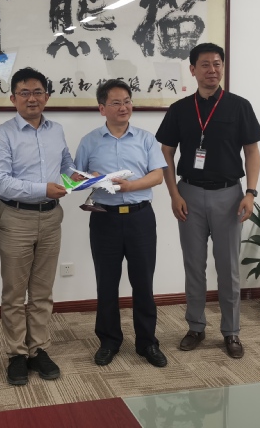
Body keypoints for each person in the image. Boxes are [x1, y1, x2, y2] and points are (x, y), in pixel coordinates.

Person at [155, 43, 260, 359]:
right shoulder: (179, 109)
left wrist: (250, 193)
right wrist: (174, 194)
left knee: (228, 268)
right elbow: (166, 153)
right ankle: (196, 327)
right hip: (189, 194)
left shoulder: (239, 106)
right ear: (193, 70)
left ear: (223, 68)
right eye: (205, 64)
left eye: (217, 64)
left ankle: (231, 332)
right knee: (194, 266)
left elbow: (252, 151)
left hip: (230, 196)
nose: (212, 70)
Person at [0, 67, 74, 386]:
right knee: (14, 292)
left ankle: (37, 349)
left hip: (51, 217)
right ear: (13, 98)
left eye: (37, 92)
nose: (32, 98)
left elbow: (66, 165)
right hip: (16, 217)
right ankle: (16, 354)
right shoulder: (3, 134)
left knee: (42, 291)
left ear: (46, 96)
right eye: (24, 93)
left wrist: (78, 177)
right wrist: (42, 189)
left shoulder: (56, 130)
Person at [74, 79, 168, 368]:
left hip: (140, 217)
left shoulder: (146, 139)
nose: (124, 107)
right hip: (105, 218)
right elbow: (74, 179)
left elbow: (158, 176)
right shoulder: (89, 141)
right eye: (116, 102)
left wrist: (130, 186)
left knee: (143, 282)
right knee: (106, 283)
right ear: (102, 108)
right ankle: (109, 341)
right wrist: (91, 179)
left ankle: (147, 342)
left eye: (127, 101)